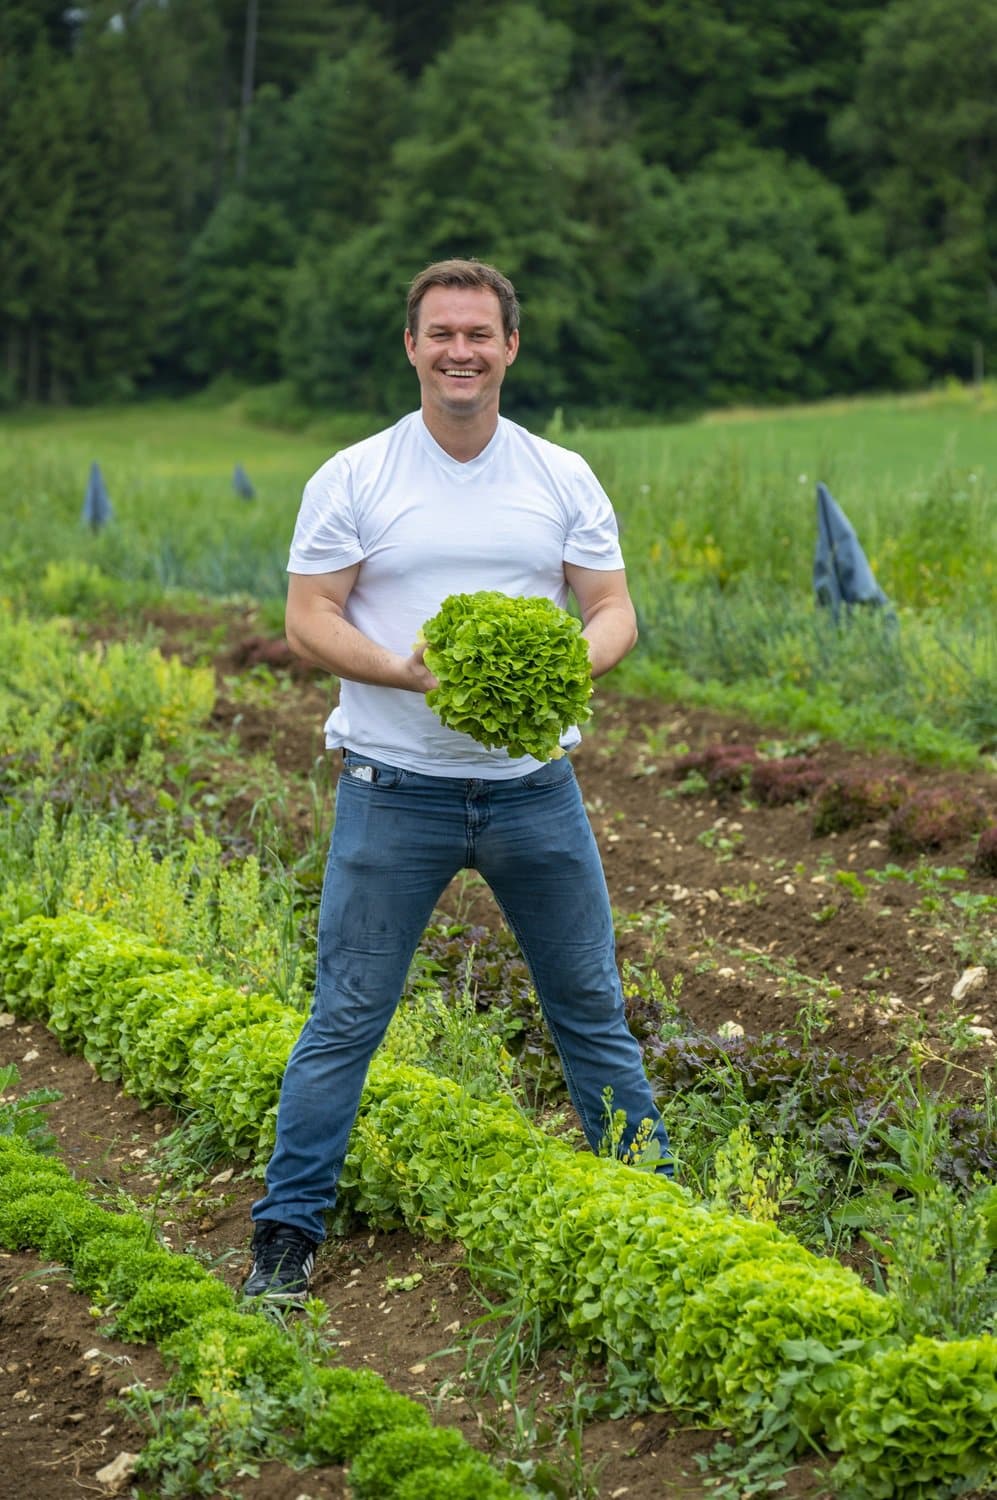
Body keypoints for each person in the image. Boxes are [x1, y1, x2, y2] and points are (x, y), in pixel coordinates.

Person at [243, 257, 672, 1301]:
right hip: (394, 789)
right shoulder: (355, 476)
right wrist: (402, 672)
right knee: (346, 1014)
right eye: (441, 334)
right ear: (412, 347)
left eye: (478, 334)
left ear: (509, 347)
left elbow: (611, 607)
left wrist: (570, 660)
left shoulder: (559, 475)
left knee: (589, 1006)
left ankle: (662, 1211)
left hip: (534, 792)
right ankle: (285, 1239)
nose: (460, 351)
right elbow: (309, 618)